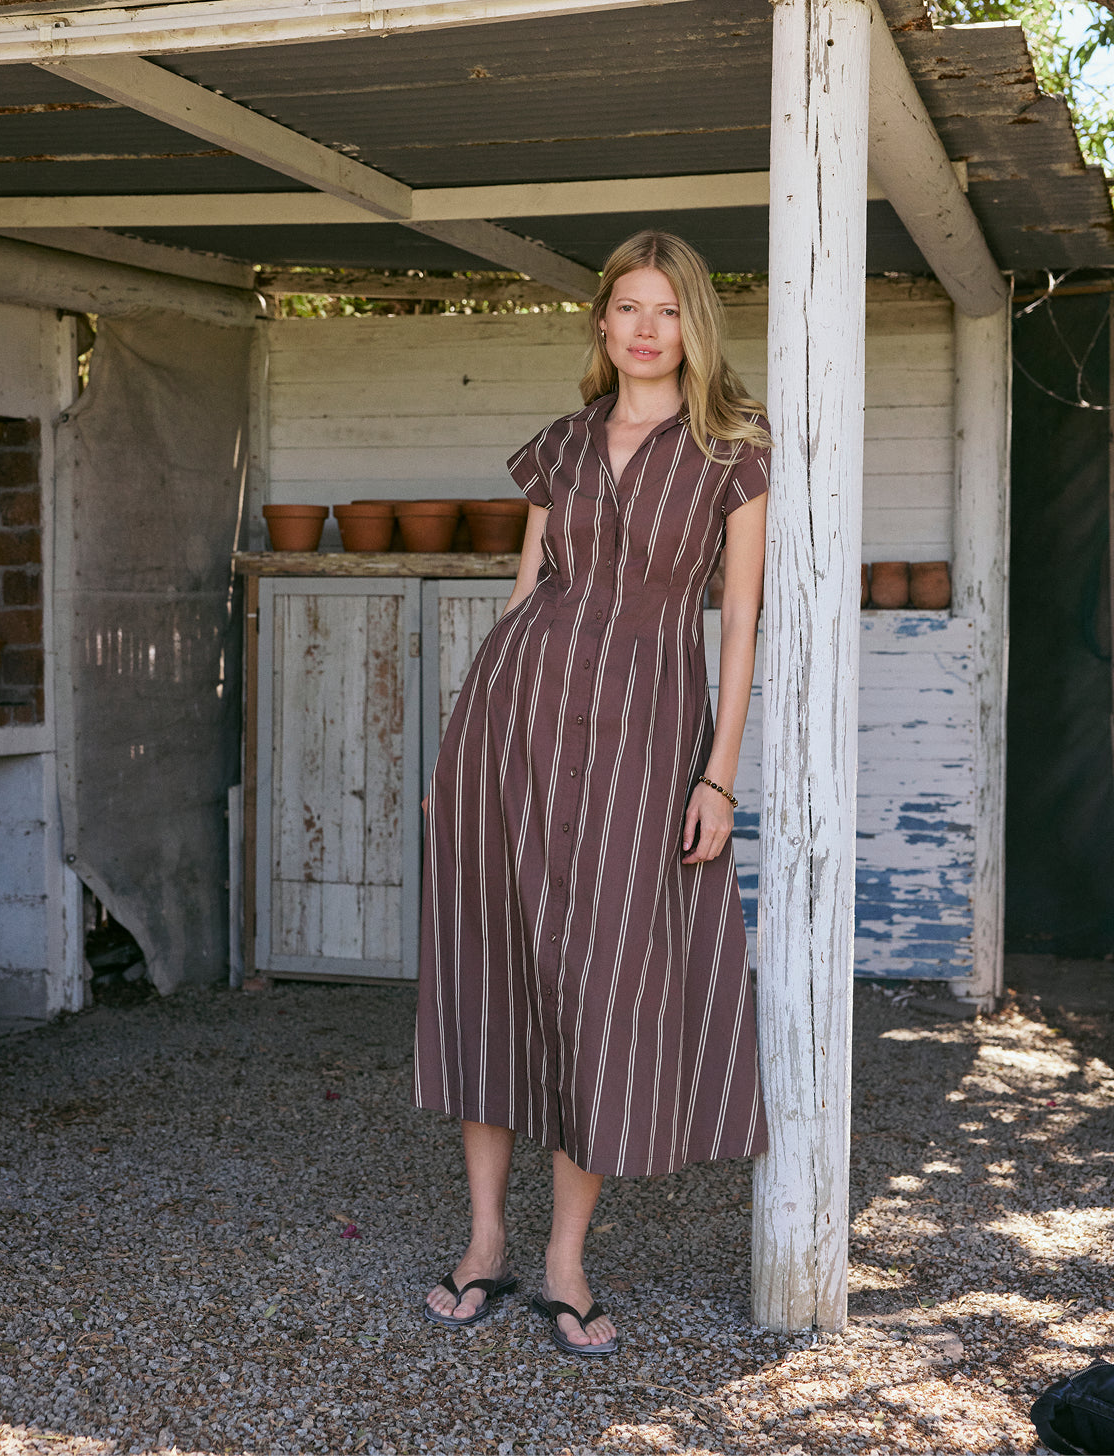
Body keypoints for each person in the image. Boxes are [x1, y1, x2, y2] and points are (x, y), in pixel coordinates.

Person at [414, 230, 771, 1358]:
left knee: (605, 995)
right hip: (508, 732)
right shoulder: (561, 448)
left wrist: (719, 772)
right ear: (603, 324)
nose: (647, 327)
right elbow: (526, 594)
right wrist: (456, 750)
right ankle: (483, 1243)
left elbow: (740, 629)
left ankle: (565, 1258)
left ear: (691, 325)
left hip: (642, 747)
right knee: (492, 973)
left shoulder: (733, 453)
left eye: (668, 309)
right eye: (628, 307)